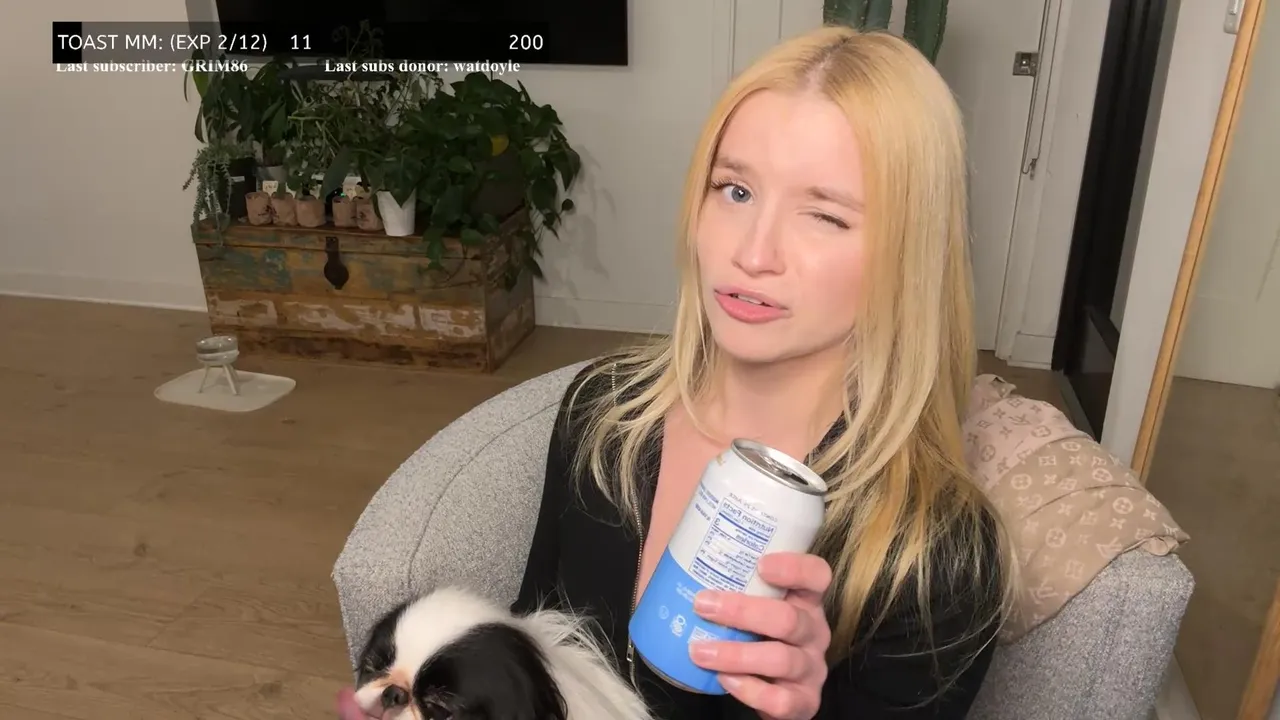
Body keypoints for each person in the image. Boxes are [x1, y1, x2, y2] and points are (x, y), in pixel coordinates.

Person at [338, 24, 1011, 720]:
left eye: (825, 216)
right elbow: (532, 661)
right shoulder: (605, 416)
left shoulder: (939, 558)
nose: (753, 253)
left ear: (909, 253)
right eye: (735, 191)